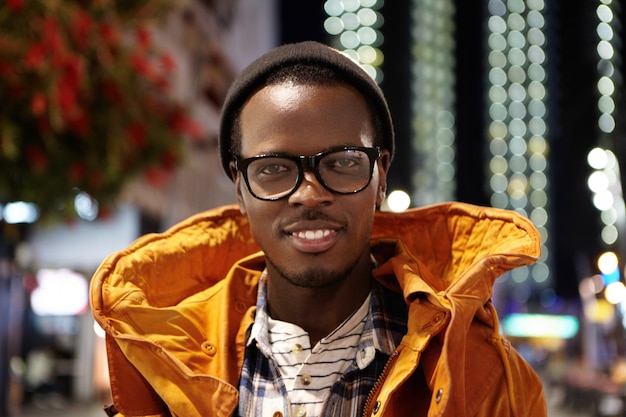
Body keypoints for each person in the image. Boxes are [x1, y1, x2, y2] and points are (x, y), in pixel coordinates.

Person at [90, 41, 547, 417]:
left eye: (344, 163)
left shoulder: (488, 380)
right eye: (273, 168)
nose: (309, 195)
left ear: (380, 176)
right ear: (240, 188)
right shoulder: (157, 361)